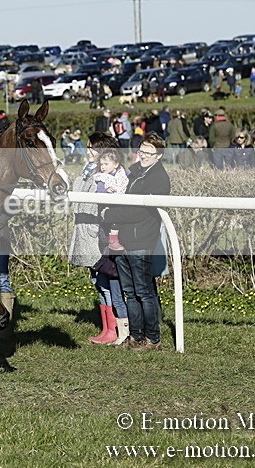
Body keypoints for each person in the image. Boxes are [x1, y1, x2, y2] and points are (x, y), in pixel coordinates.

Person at [101, 132, 171, 351]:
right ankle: (135, 336)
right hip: (123, 237)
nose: (144, 156)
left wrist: (108, 215)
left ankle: (153, 339)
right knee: (130, 291)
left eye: (149, 152)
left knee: (143, 291)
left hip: (141, 238)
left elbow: (139, 212)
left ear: (158, 155)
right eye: (141, 151)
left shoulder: (159, 178)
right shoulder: (133, 172)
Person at [68, 132, 129, 346]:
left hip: (99, 233)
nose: (88, 151)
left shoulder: (112, 174)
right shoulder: (91, 171)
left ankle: (114, 329)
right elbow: (75, 196)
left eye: (92, 147)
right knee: (98, 282)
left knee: (106, 282)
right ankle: (107, 328)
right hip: (86, 231)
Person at [93, 149, 129, 252]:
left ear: (116, 164)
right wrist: (106, 190)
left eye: (106, 164)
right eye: (101, 164)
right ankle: (113, 240)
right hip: (107, 207)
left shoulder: (123, 175)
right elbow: (99, 191)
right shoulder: (101, 178)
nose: (103, 167)